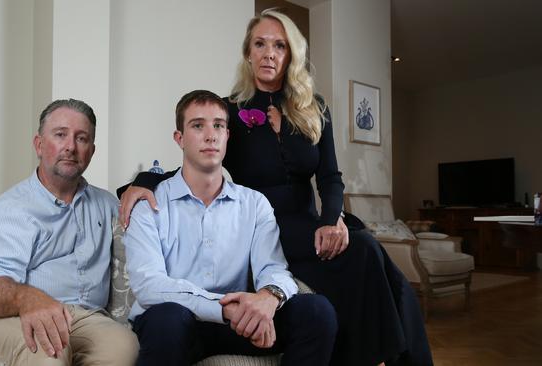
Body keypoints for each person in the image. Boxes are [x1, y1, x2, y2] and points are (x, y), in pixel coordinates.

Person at [118, 9, 433, 366]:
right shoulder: (231, 111)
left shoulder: (314, 109)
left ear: (290, 55)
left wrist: (332, 220)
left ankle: (402, 358)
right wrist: (141, 182)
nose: (269, 53)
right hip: (264, 228)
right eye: (260, 44)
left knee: (368, 250)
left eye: (279, 46)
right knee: (363, 253)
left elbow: (330, 176)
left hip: (310, 225)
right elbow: (201, 156)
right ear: (248, 53)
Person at [125, 89, 337, 366]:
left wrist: (267, 298)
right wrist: (224, 310)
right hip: (178, 325)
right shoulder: (149, 204)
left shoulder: (254, 203)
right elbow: (149, 285)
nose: (210, 135)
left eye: (219, 126)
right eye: (198, 125)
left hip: (239, 324)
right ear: (180, 139)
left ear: (227, 136)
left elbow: (273, 268)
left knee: (317, 312)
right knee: (167, 319)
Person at [0, 99, 138, 366]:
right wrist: (29, 299)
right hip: (10, 317)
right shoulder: (12, 209)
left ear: (91, 151)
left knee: (124, 346)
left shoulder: (107, 206)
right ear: (39, 144)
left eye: (81, 138)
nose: (70, 146)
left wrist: (144, 186)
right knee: (49, 352)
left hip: (84, 319)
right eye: (60, 135)